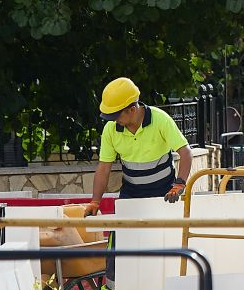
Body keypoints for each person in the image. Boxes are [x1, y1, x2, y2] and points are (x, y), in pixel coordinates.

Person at [81, 77, 193, 215]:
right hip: (131, 194)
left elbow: (186, 152)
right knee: (122, 235)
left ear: (132, 109)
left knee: (165, 236)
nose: (114, 120)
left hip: (165, 193)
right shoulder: (111, 129)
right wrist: (95, 201)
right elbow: (104, 169)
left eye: (117, 115)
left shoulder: (160, 119)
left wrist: (179, 184)